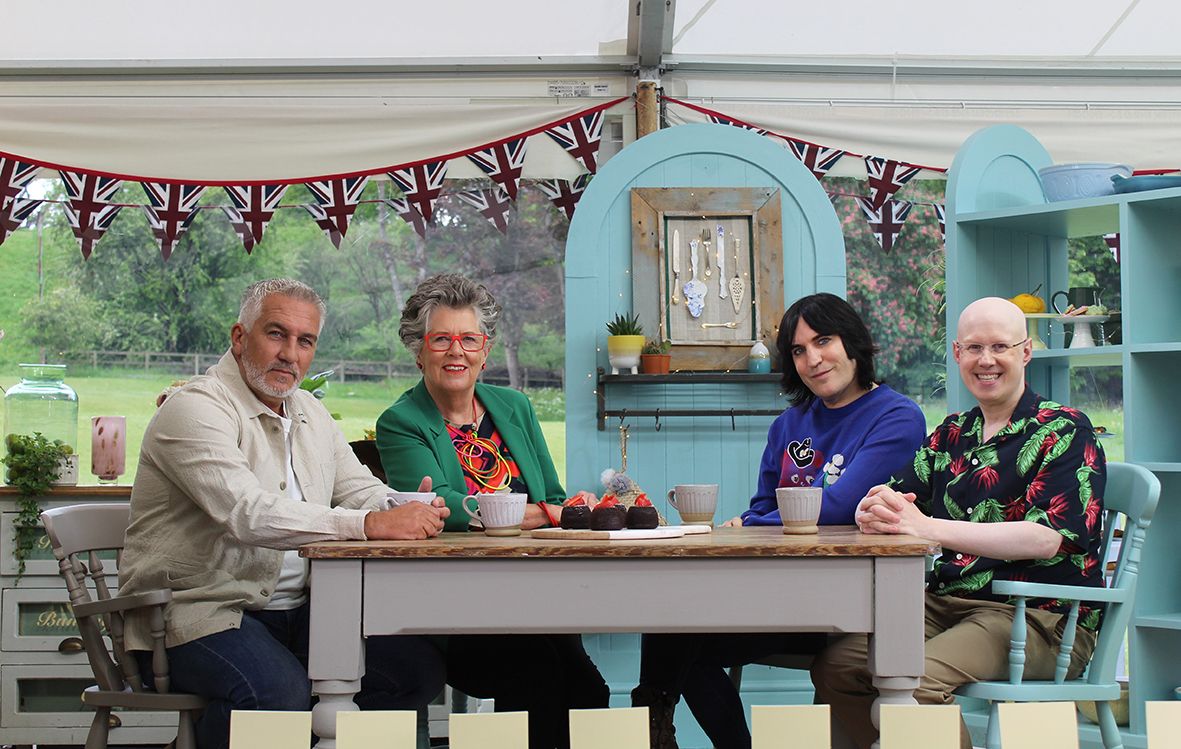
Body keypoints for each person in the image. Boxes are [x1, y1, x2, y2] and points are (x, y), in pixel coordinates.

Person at [118, 279, 451, 749]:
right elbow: (245, 512)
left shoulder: (310, 413)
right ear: (239, 337)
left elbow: (357, 490)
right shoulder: (193, 408)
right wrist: (368, 524)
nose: (290, 354)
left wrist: (402, 506)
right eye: (276, 334)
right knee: (276, 695)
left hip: (303, 611)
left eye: (305, 340)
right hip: (200, 613)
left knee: (413, 671)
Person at [633, 292, 927, 749]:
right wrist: (754, 521)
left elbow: (838, 506)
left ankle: (655, 718)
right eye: (798, 350)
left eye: (823, 341)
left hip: (846, 601)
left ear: (852, 342)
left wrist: (752, 525)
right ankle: (659, 720)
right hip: (776, 590)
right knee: (671, 607)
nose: (813, 359)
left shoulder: (897, 417)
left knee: (683, 642)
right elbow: (761, 506)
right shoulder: (789, 425)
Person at [811, 296, 1107, 749]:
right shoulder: (952, 433)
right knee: (837, 666)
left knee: (912, 681)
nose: (985, 360)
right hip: (947, 605)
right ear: (956, 354)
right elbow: (897, 496)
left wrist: (926, 526)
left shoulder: (1065, 431)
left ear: (1025, 352)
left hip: (1038, 619)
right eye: (973, 348)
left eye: (1000, 347)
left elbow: (1045, 538)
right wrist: (874, 508)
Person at [376, 273, 608, 749]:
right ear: (419, 351)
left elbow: (558, 499)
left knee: (590, 691)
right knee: (536, 677)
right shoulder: (401, 422)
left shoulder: (515, 406)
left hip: (539, 597)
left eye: (468, 339)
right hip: (455, 606)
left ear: (485, 350)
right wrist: (540, 512)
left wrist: (537, 510)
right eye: (440, 339)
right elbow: (443, 509)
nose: (455, 351)